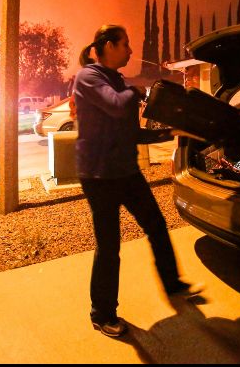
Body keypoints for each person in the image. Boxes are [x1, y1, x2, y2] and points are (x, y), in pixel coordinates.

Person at [72, 24, 205, 338]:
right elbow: (117, 106)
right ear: (108, 46)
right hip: (99, 175)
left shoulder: (118, 81)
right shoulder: (89, 77)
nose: (130, 51)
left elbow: (131, 133)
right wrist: (139, 90)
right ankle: (102, 313)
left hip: (126, 171)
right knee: (109, 246)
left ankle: (173, 284)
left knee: (156, 225)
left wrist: (171, 132)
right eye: (125, 44)